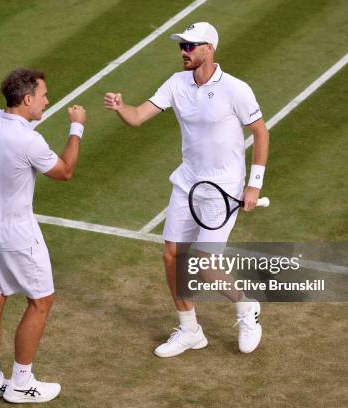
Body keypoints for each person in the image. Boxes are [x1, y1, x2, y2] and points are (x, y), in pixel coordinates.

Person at [104, 22, 269, 357]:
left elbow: (261, 133)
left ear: (209, 49)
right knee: (172, 256)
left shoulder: (236, 89)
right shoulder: (177, 83)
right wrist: (122, 107)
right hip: (187, 182)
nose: (184, 51)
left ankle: (245, 306)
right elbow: (137, 117)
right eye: (182, 46)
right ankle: (190, 329)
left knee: (206, 266)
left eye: (191, 46)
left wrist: (254, 184)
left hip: (223, 188)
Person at [0, 68, 86, 403]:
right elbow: (64, 171)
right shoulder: (28, 140)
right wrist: (77, 127)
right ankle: (21, 383)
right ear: (27, 100)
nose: (47, 100)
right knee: (41, 301)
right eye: (43, 95)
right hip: (19, 237)